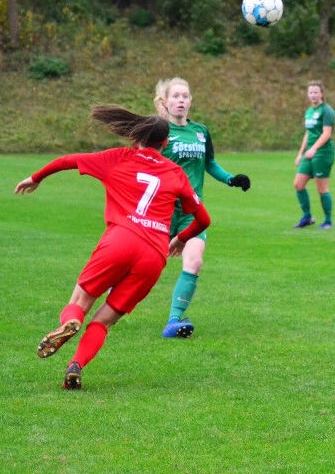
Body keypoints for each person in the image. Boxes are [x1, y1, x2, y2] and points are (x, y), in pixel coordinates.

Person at [14, 106, 212, 390]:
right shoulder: (176, 173)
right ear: (165, 143)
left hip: (120, 240)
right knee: (104, 321)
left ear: (136, 138)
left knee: (80, 302)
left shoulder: (118, 157)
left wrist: (36, 177)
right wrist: (181, 238)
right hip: (154, 255)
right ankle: (76, 365)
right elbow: (203, 219)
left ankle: (71, 323)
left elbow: (68, 160)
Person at [155, 77, 251, 339]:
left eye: (185, 96)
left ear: (190, 101)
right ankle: (112, 291)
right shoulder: (157, 132)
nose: (181, 100)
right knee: (145, 265)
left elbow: (209, 163)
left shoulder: (201, 131)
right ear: (165, 102)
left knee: (194, 261)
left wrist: (231, 179)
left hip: (192, 212)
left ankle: (173, 321)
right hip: (161, 210)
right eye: (175, 96)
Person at [293, 80, 335, 230]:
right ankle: (307, 217)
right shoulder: (309, 111)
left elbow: (326, 133)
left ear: (322, 94)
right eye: (310, 92)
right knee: (298, 184)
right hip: (310, 152)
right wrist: (300, 153)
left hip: (323, 153)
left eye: (316, 92)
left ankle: (328, 221)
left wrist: (314, 149)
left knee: (322, 189)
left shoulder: (327, 111)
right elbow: (308, 133)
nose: (313, 95)